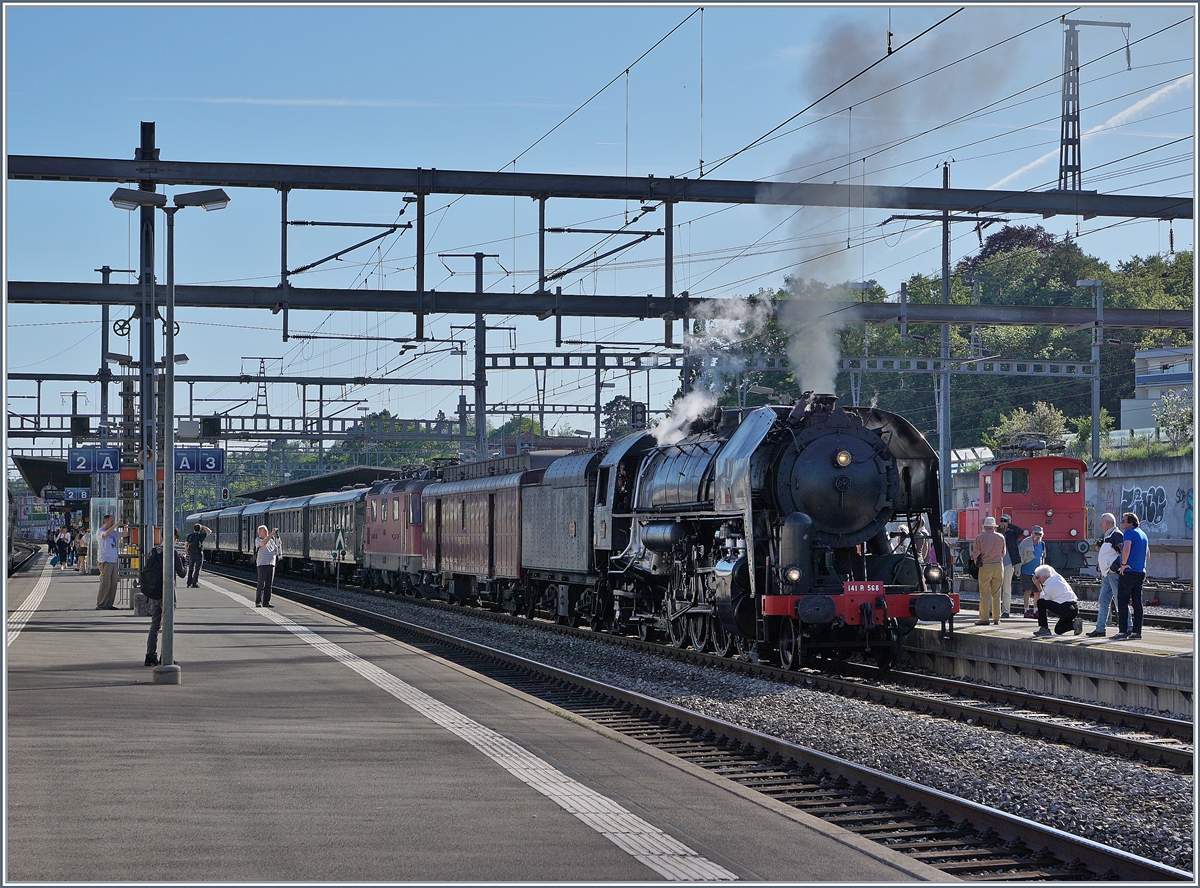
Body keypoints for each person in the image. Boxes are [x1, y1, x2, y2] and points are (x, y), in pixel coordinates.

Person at [143, 528, 187, 667]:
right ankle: (166, 656)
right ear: (174, 538)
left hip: (154, 591)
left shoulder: (153, 551)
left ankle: (150, 656)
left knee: (154, 624)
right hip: (167, 592)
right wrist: (184, 561)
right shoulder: (172, 552)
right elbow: (181, 574)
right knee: (168, 625)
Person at [1113, 512, 1149, 640]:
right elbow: (1147, 554)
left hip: (1128, 573)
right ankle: (1137, 632)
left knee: (1122, 602)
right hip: (1140, 572)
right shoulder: (1143, 534)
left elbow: (1127, 547)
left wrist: (1123, 564)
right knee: (1137, 603)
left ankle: (1123, 631)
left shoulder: (1128, 533)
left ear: (1130, 523)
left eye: (1123, 521)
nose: (1121, 523)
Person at [1088, 513, 1124, 638]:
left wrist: (1114, 567)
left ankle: (1127, 627)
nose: (1100, 525)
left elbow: (1123, 552)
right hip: (1107, 574)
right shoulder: (1109, 536)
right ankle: (1100, 628)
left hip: (1113, 574)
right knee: (1103, 600)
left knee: (1120, 601)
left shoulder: (1117, 535)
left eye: (1101, 523)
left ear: (1108, 523)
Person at [971, 516, 1007, 625]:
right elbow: (1003, 553)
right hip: (998, 566)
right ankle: (997, 618)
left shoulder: (980, 537)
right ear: (994, 527)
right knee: (996, 593)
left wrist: (976, 560)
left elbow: (975, 554)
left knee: (984, 593)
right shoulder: (1001, 537)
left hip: (985, 566)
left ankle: (984, 618)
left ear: (985, 527)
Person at [1031, 564, 1083, 637]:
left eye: (1038, 577)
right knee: (1058, 630)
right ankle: (1074, 624)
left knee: (1040, 602)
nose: (1038, 580)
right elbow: (1050, 569)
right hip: (1074, 608)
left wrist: (1038, 587)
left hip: (1066, 608)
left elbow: (1043, 599)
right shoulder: (1057, 577)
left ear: (1044, 577)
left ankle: (1044, 628)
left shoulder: (1050, 586)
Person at [95, 515, 126, 610]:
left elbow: (124, 535)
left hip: (113, 560)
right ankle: (101, 603)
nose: (112, 523)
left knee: (113, 583)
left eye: (113, 521)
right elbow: (106, 534)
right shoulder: (100, 531)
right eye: (111, 521)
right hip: (105, 560)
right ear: (105, 521)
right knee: (105, 583)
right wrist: (116, 524)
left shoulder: (114, 532)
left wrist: (125, 526)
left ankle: (109, 603)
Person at [998, 514, 1024, 619]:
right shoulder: (997, 533)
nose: (1003, 523)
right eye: (1001, 520)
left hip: (1008, 564)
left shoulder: (1012, 534)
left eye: (1005, 521)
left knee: (1007, 588)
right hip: (997, 563)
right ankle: (994, 609)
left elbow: (1021, 531)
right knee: (995, 588)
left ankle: (1006, 611)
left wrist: (1010, 526)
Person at [1018, 525, 1046, 619]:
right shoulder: (1026, 543)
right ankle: (1026, 610)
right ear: (1032, 533)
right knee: (1028, 591)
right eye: (1036, 533)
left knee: (1037, 592)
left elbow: (1042, 557)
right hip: (1026, 571)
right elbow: (1021, 555)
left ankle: (1036, 610)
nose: (1037, 536)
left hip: (1037, 572)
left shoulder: (1042, 544)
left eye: (1039, 534)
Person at [254, 525, 283, 608]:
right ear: (259, 532)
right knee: (261, 583)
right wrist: (271, 534)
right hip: (262, 564)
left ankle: (266, 602)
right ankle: (258, 601)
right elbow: (263, 543)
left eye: (266, 530)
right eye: (264, 531)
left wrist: (278, 544)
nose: (266, 532)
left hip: (271, 564)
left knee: (269, 584)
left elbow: (276, 550)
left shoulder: (271, 540)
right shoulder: (258, 539)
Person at [184, 522, 213, 588]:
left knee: (190, 568)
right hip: (199, 553)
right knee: (197, 569)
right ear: (200, 529)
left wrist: (187, 552)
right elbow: (209, 531)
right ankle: (194, 583)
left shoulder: (190, 535)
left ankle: (188, 583)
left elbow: (186, 545)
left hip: (191, 553)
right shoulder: (201, 536)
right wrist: (203, 526)